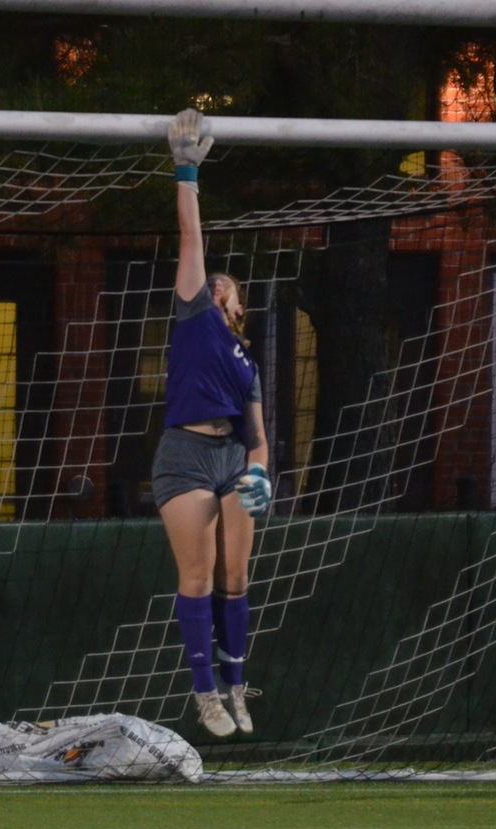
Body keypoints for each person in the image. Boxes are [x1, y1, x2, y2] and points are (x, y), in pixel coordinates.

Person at [154, 108, 272, 739]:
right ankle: (205, 694)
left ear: (239, 307)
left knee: (236, 576)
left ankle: (236, 686)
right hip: (185, 456)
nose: (217, 281)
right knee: (197, 575)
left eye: (229, 285)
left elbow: (258, 440)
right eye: (213, 280)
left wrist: (261, 476)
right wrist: (186, 171)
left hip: (231, 460)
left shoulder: (245, 361)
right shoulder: (195, 315)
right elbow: (191, 240)